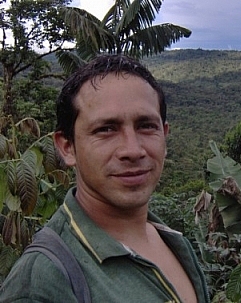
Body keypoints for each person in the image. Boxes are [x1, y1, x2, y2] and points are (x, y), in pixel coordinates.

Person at [0, 55, 209, 303]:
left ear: (164, 136)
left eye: (146, 126)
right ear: (67, 147)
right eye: (106, 129)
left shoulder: (176, 243)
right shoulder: (44, 281)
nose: (132, 150)